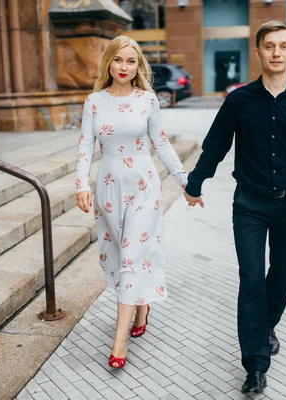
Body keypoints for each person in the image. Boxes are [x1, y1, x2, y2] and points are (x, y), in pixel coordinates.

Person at [183, 20, 286, 395]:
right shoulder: (239, 100)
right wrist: (194, 182)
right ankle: (255, 365)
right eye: (270, 46)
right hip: (248, 203)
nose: (277, 53)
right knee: (251, 279)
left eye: (284, 46)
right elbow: (215, 146)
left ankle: (265, 326)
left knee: (280, 275)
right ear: (259, 52)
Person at [75, 35, 187, 369]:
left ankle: (119, 341)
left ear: (138, 65)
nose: (124, 67)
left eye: (131, 61)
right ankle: (141, 307)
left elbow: (162, 144)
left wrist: (185, 180)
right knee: (123, 255)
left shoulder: (147, 100)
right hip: (109, 190)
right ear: (108, 62)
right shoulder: (94, 101)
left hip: (143, 187)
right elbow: (84, 146)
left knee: (131, 259)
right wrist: (81, 184)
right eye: (118, 60)